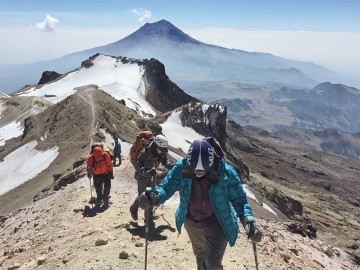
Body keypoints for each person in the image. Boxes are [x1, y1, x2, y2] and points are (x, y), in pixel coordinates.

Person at [139, 138, 263, 270]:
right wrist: (155, 197)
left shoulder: (225, 172)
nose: (198, 174)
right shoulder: (181, 166)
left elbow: (239, 199)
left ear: (211, 163)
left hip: (218, 221)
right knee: (200, 257)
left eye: (202, 171)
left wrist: (247, 220)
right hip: (192, 222)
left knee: (212, 265)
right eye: (195, 170)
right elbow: (167, 187)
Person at [130, 134, 173, 222]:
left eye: (163, 150)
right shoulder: (145, 152)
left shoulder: (162, 150)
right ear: (156, 146)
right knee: (142, 195)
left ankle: (148, 217)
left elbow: (164, 160)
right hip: (143, 176)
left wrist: (171, 166)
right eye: (160, 150)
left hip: (152, 175)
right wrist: (148, 172)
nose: (162, 152)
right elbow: (138, 166)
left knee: (151, 195)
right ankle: (133, 208)